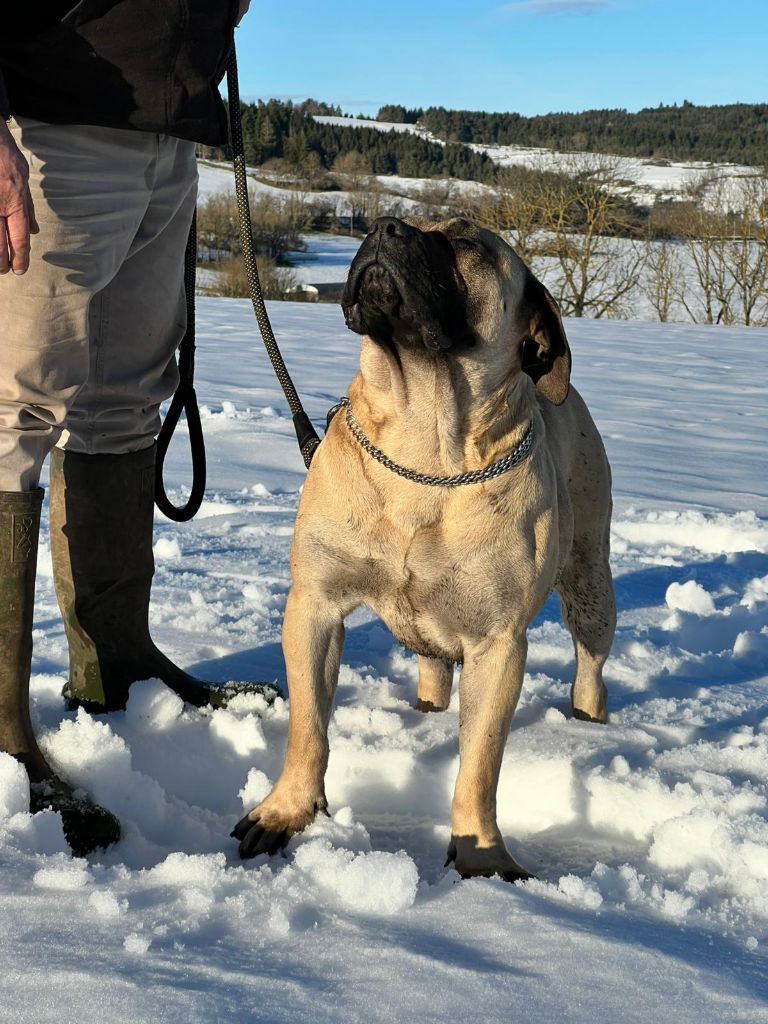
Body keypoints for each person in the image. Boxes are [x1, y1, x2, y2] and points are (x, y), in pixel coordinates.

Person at [0, 1, 260, 856]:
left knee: (124, 402)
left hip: (165, 129)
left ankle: (114, 663)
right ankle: (1, 732)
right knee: (11, 416)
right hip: (45, 119)